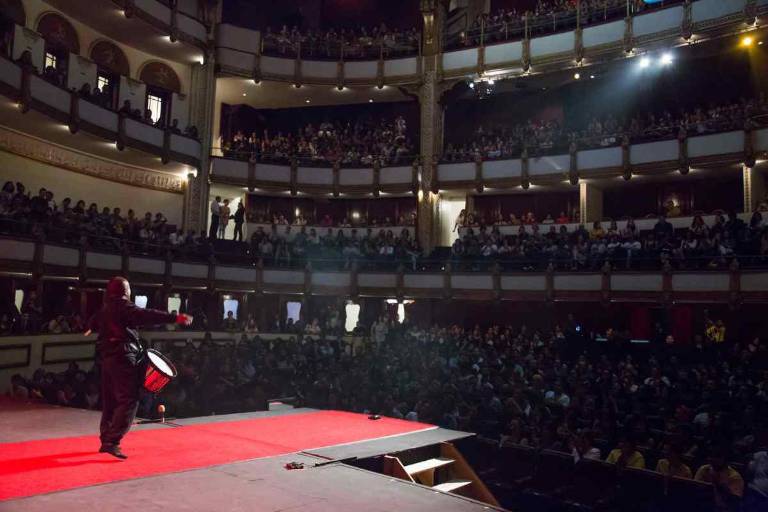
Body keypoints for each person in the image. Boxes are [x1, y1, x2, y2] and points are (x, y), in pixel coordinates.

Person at [87, 276, 192, 459]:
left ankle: (106, 439)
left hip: (107, 359)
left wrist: (90, 327)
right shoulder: (124, 306)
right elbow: (148, 315)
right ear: (124, 291)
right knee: (129, 399)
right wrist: (175, 317)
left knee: (110, 401)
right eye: (128, 288)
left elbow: (91, 324)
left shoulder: (104, 309)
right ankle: (112, 441)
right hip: (124, 357)